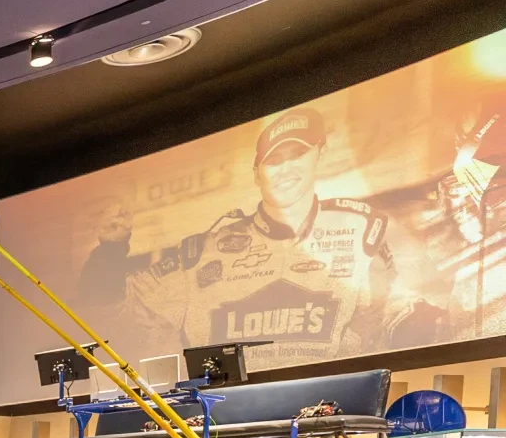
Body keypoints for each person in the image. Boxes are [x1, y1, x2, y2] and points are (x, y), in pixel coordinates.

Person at [75, 108, 438, 372]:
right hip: (228, 415)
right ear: (257, 174)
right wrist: (109, 252)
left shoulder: (361, 231)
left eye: (298, 154)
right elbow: (117, 310)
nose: (286, 169)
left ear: (319, 155)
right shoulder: (205, 250)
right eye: (273, 160)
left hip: (327, 405)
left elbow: (394, 311)